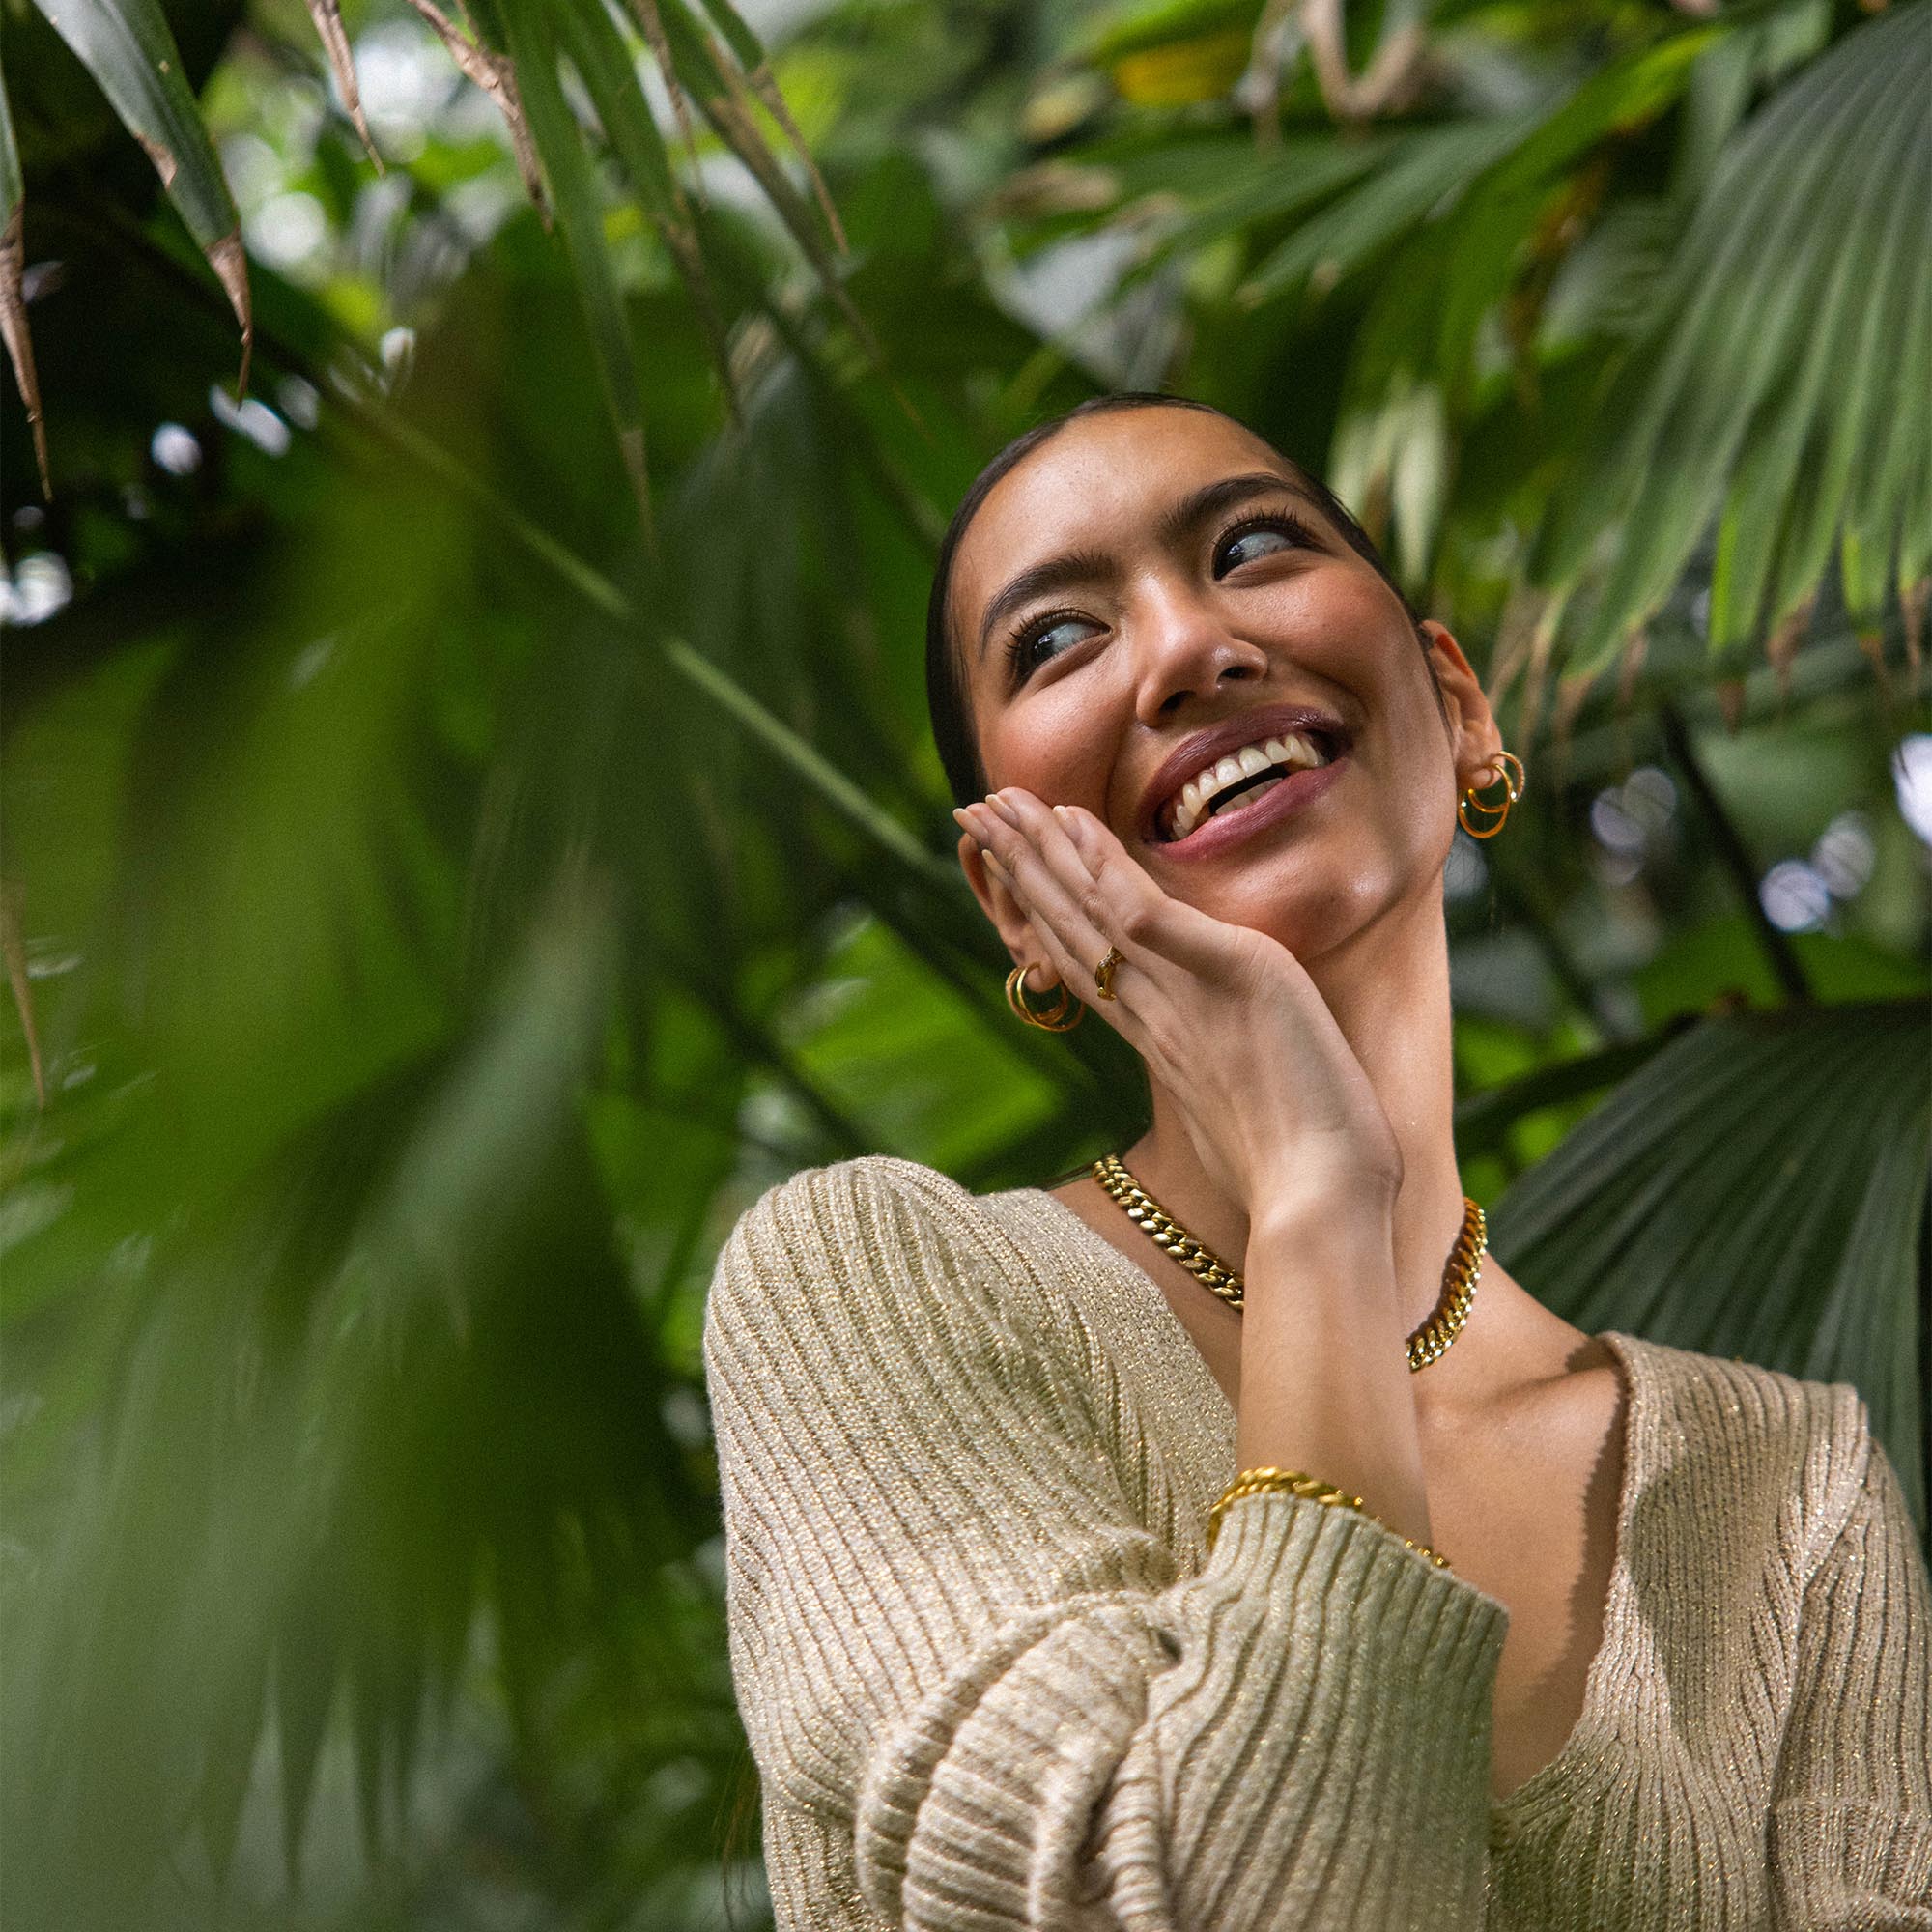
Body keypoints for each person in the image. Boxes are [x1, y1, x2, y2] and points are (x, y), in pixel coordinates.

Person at [701, 394, 1932, 1929]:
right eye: (1058, 642)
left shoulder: (1789, 1489)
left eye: (1254, 546)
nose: (1186, 649)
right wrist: (1312, 1192)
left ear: (1458, 705)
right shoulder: (876, 1294)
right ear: (1011, 904)